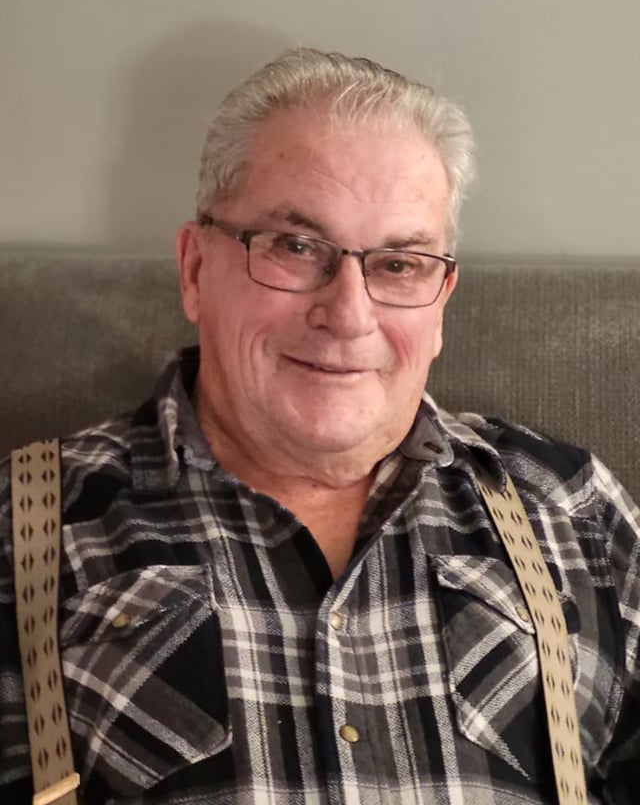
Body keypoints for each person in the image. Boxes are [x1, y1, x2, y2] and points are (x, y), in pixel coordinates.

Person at [1, 47, 638, 805]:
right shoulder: (27, 525)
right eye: (297, 247)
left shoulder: (571, 507)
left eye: (399, 264)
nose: (348, 314)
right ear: (195, 269)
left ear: (442, 301)